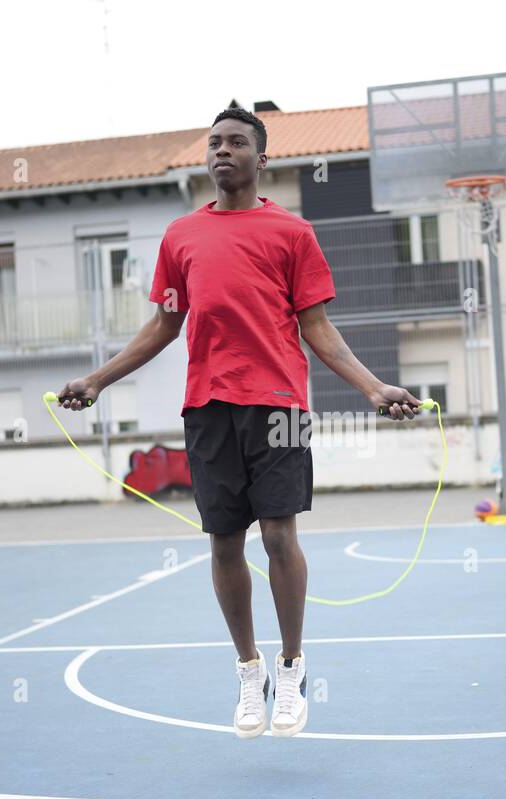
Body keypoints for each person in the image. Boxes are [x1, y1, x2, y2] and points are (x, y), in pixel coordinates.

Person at [57, 107, 423, 740]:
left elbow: (318, 331)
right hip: (208, 408)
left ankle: (291, 667)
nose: (221, 151)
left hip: (280, 405)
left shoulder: (293, 234)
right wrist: (97, 379)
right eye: (215, 143)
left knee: (279, 535)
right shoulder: (180, 237)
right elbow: (163, 328)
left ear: (262, 159)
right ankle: (248, 670)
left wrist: (373, 388)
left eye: (235, 143)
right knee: (225, 541)